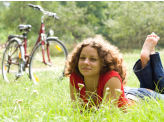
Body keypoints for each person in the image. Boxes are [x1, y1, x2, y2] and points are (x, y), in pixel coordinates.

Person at [64, 32, 164, 109]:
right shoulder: (75, 77)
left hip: (139, 96)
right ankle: (150, 56)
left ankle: (150, 56)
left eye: (93, 59)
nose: (85, 62)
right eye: (82, 58)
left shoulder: (111, 77)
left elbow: (106, 113)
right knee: (155, 87)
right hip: (124, 91)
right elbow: (76, 109)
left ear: (103, 63)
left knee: (160, 90)